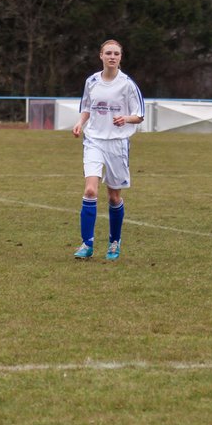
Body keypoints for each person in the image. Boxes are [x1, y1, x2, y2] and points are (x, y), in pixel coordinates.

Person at [71, 40, 145, 261]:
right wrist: (80, 123)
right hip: (93, 140)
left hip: (117, 143)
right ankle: (87, 244)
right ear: (100, 56)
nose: (112, 57)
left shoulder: (128, 85)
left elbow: (139, 114)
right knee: (91, 190)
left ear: (121, 57)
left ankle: (114, 242)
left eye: (116, 54)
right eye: (108, 53)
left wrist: (126, 118)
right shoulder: (91, 81)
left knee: (114, 197)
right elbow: (86, 108)